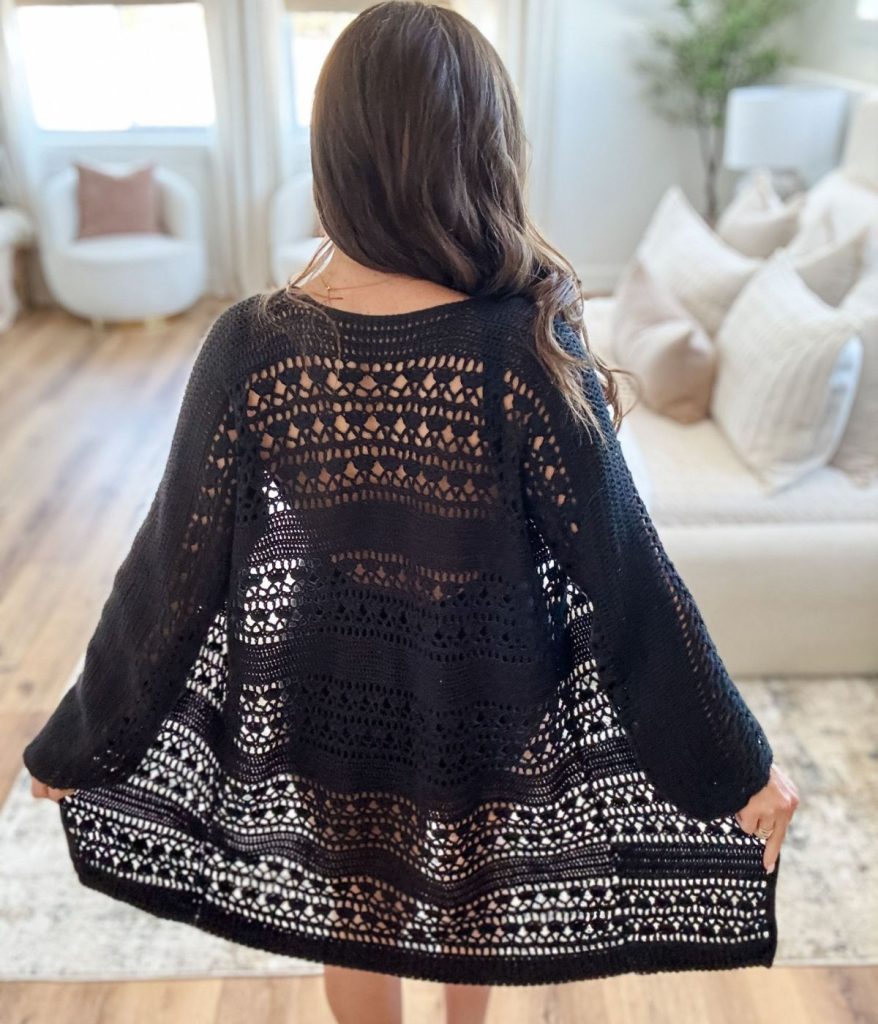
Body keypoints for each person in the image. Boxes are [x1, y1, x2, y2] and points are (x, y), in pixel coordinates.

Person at [24, 3, 799, 1023]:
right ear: (482, 154)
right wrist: (739, 761)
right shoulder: (524, 346)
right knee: (468, 905)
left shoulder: (249, 345)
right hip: (490, 684)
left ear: (331, 152)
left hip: (326, 684)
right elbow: (625, 583)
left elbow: (169, 576)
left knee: (361, 909)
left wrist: (82, 740)